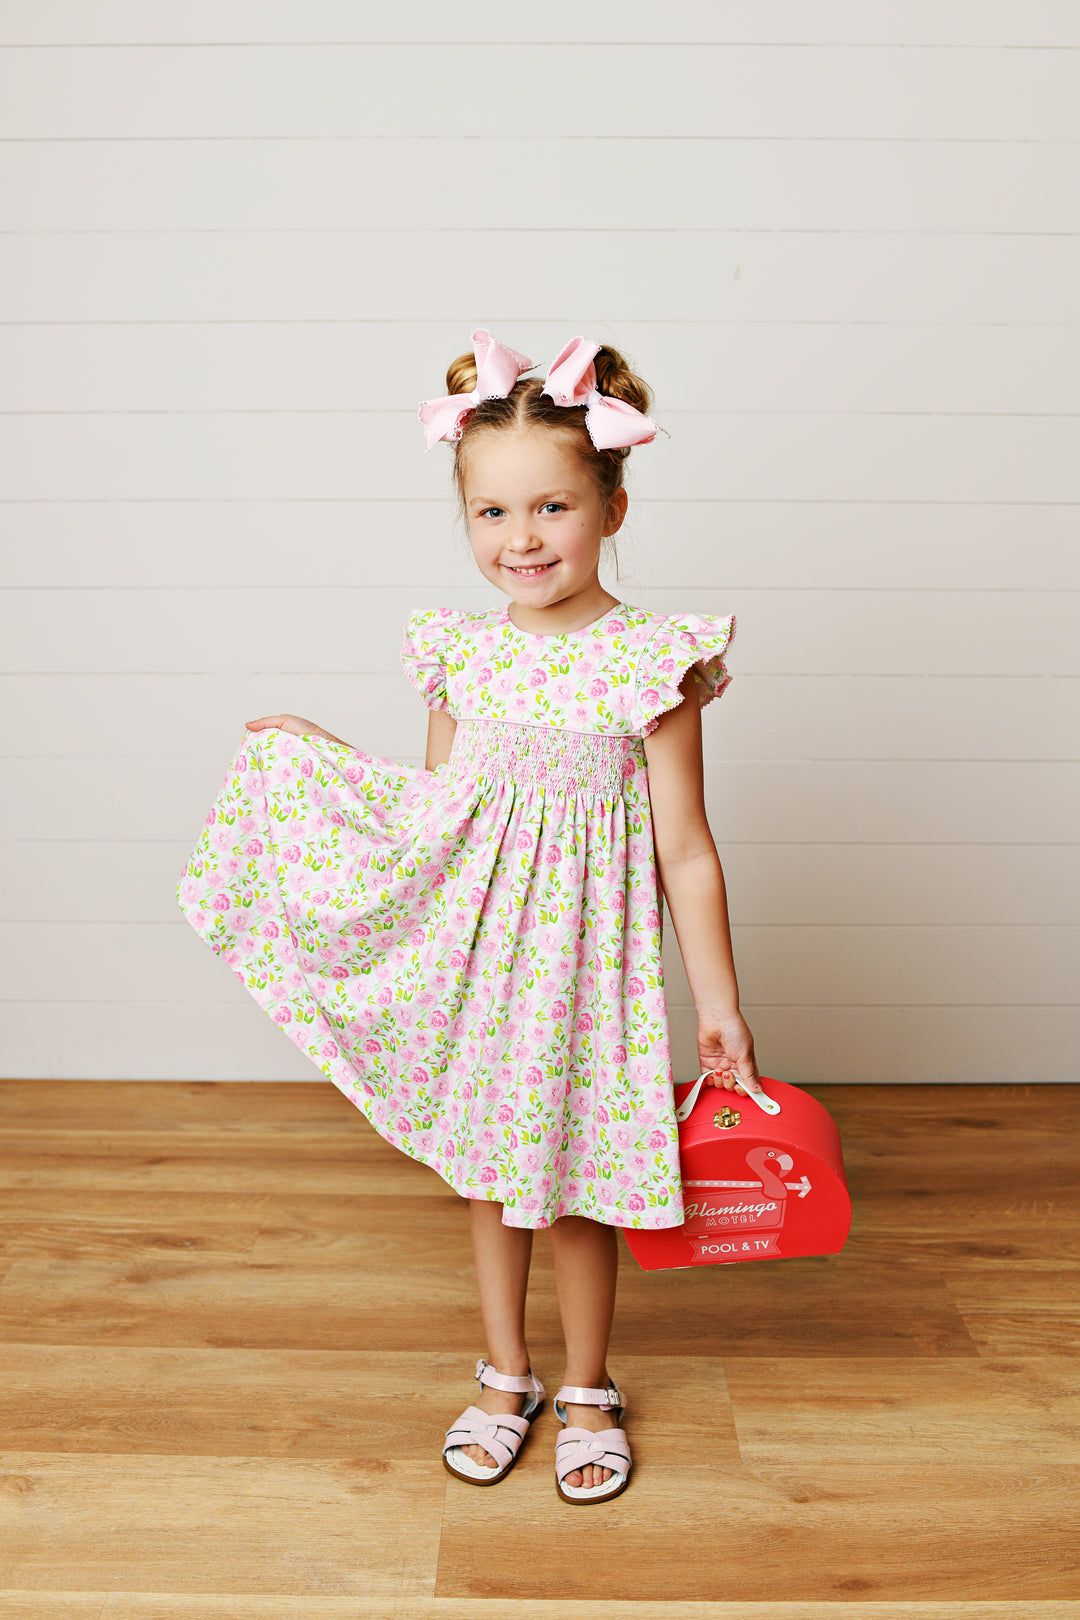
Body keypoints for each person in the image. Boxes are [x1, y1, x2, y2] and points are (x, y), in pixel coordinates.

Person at [177, 328, 761, 1505]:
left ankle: (590, 1385)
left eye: (552, 506)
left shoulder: (653, 661)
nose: (522, 538)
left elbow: (686, 849)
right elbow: (432, 818)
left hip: (596, 976)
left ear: (613, 506)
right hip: (487, 962)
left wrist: (720, 1011)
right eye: (492, 514)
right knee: (492, 1177)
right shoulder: (459, 653)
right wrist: (321, 759)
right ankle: (506, 1374)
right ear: (466, 517)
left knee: (588, 1186)